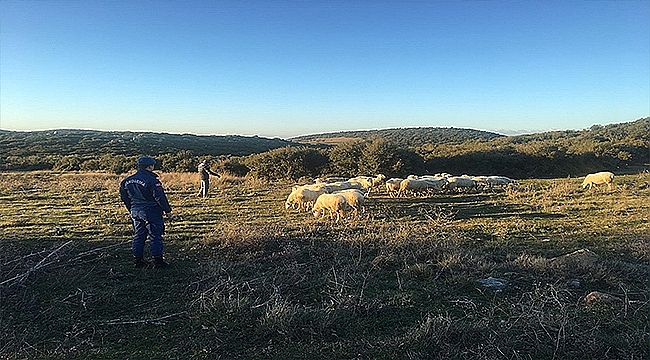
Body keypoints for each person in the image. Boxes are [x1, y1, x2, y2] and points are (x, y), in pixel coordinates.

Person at [119, 156, 172, 269]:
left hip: (135, 211)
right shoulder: (152, 181)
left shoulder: (126, 180)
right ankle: (158, 261)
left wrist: (131, 209)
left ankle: (138, 260)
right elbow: (159, 197)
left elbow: (124, 197)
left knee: (139, 235)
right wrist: (167, 210)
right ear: (150, 166)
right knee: (155, 235)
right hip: (150, 211)